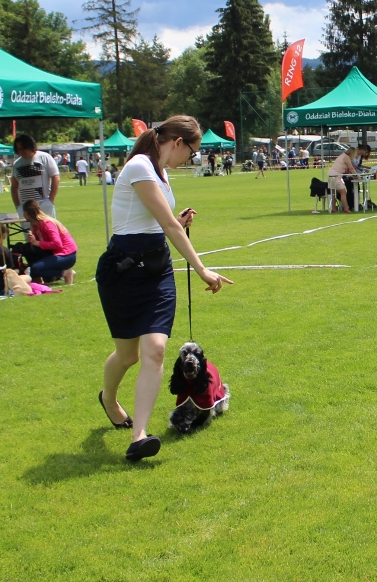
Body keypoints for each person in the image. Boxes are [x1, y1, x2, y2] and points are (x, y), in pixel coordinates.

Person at [96, 115, 232, 461]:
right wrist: (201, 268)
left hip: (157, 272)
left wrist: (178, 222)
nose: (190, 159)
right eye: (192, 152)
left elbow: (163, 224)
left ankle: (139, 436)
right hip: (124, 271)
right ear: (177, 143)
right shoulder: (139, 166)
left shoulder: (161, 172)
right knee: (128, 355)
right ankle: (108, 398)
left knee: (155, 350)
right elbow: (167, 225)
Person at [22, 199, 77, 284]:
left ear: (26, 213)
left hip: (66, 255)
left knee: (35, 269)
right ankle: (39, 278)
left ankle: (66, 273)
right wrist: (33, 240)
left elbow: (57, 244)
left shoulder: (47, 223)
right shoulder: (35, 225)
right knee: (27, 248)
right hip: (56, 252)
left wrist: (37, 243)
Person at [11, 134, 60, 218]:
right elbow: (14, 186)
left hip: (43, 205)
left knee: (46, 226)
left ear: (30, 146)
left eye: (24, 148)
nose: (22, 151)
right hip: (25, 208)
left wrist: (50, 200)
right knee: (28, 227)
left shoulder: (44, 157)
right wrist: (18, 206)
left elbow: (55, 177)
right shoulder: (17, 164)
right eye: (19, 149)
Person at [328, 144, 368, 213]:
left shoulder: (342, 155)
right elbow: (351, 168)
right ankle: (346, 208)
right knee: (343, 192)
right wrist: (358, 176)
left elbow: (347, 168)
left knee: (333, 193)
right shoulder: (346, 157)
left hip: (331, 174)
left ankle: (333, 208)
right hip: (336, 176)